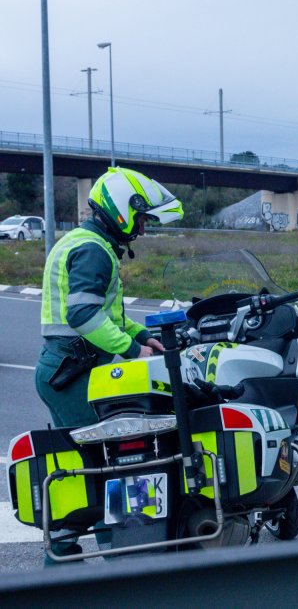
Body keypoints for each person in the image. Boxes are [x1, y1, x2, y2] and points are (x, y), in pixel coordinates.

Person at [37, 167, 183, 562]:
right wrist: (131, 350)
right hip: (71, 370)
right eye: (140, 218)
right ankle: (101, 557)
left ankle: (96, 552)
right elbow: (84, 314)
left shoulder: (92, 244)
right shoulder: (93, 250)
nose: (141, 229)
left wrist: (140, 337)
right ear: (121, 209)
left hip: (73, 367)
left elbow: (109, 317)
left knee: (98, 459)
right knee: (102, 462)